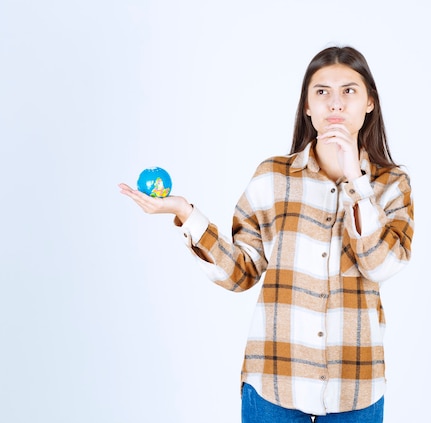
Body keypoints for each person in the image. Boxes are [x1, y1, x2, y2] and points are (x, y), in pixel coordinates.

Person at [119, 45, 414, 422]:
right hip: (272, 383)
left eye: (349, 91)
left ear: (369, 102)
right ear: (307, 106)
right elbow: (241, 272)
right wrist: (185, 213)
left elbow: (381, 265)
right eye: (321, 92)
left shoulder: (391, 185)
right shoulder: (272, 177)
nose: (335, 104)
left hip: (355, 389)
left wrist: (356, 180)